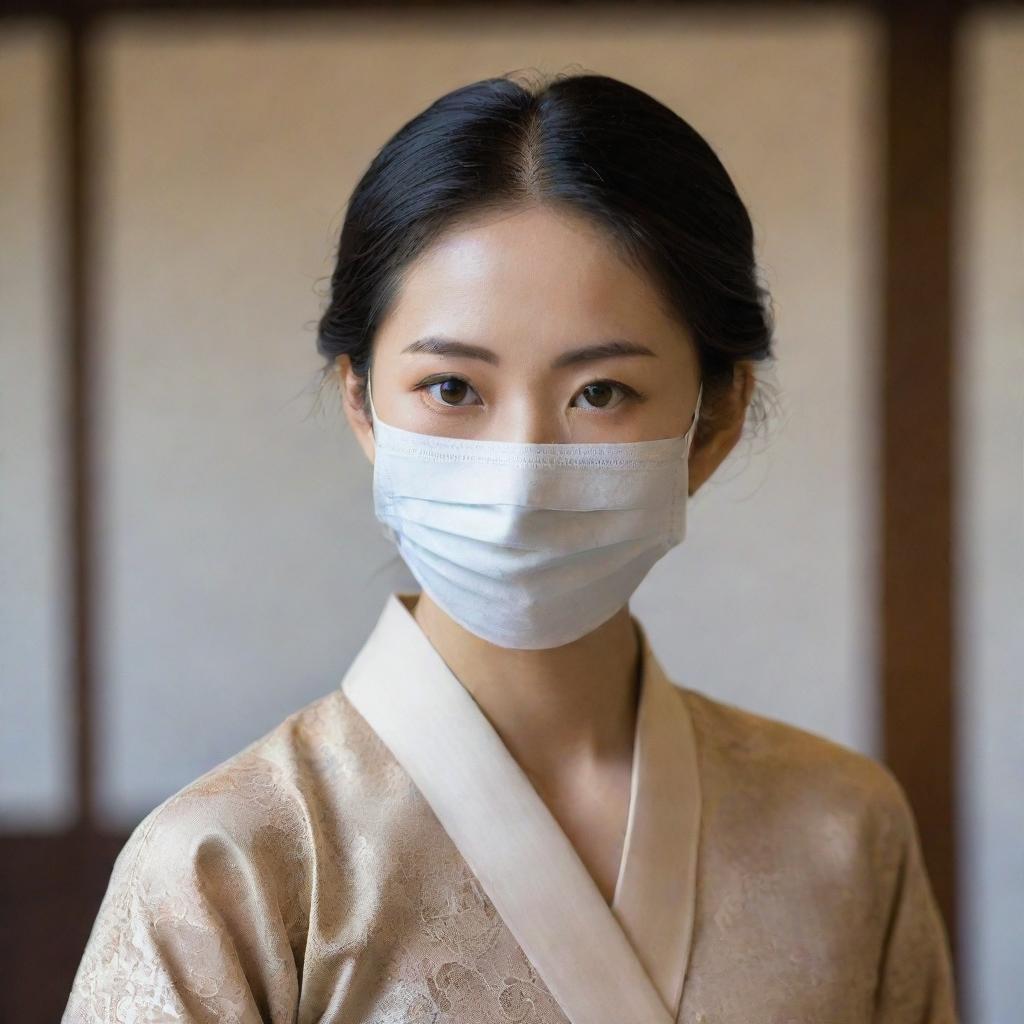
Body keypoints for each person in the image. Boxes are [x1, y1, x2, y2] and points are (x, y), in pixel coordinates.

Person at [62, 70, 958, 1023]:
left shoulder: (842, 830)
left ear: (715, 418)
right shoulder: (229, 863)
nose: (524, 473)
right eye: (452, 389)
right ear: (361, 402)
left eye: (601, 393)